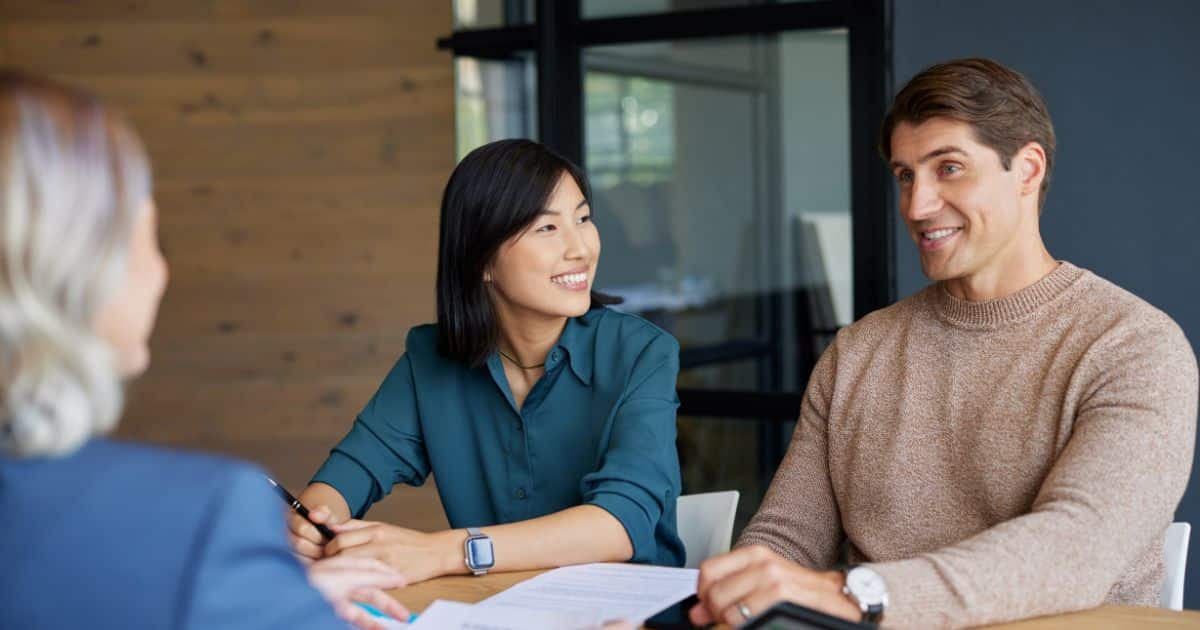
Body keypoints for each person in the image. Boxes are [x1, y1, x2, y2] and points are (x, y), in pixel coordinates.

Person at [689, 58, 1198, 629]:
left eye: (948, 168)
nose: (917, 206)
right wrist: (722, 606)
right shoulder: (859, 352)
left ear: (1027, 169)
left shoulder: (1134, 347)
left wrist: (859, 593)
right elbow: (787, 538)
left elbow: (1075, 549)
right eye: (906, 175)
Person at [0, 70, 410, 630]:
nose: (160, 270)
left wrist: (258, 594)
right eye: (147, 233)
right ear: (78, 264)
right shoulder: (205, 520)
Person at [288, 139, 686, 582]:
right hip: (491, 609)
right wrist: (312, 524)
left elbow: (621, 522)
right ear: (483, 260)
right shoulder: (431, 362)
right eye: (547, 229)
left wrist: (443, 551)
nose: (581, 248)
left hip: (627, 611)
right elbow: (352, 472)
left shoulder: (642, 353)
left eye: (583, 219)